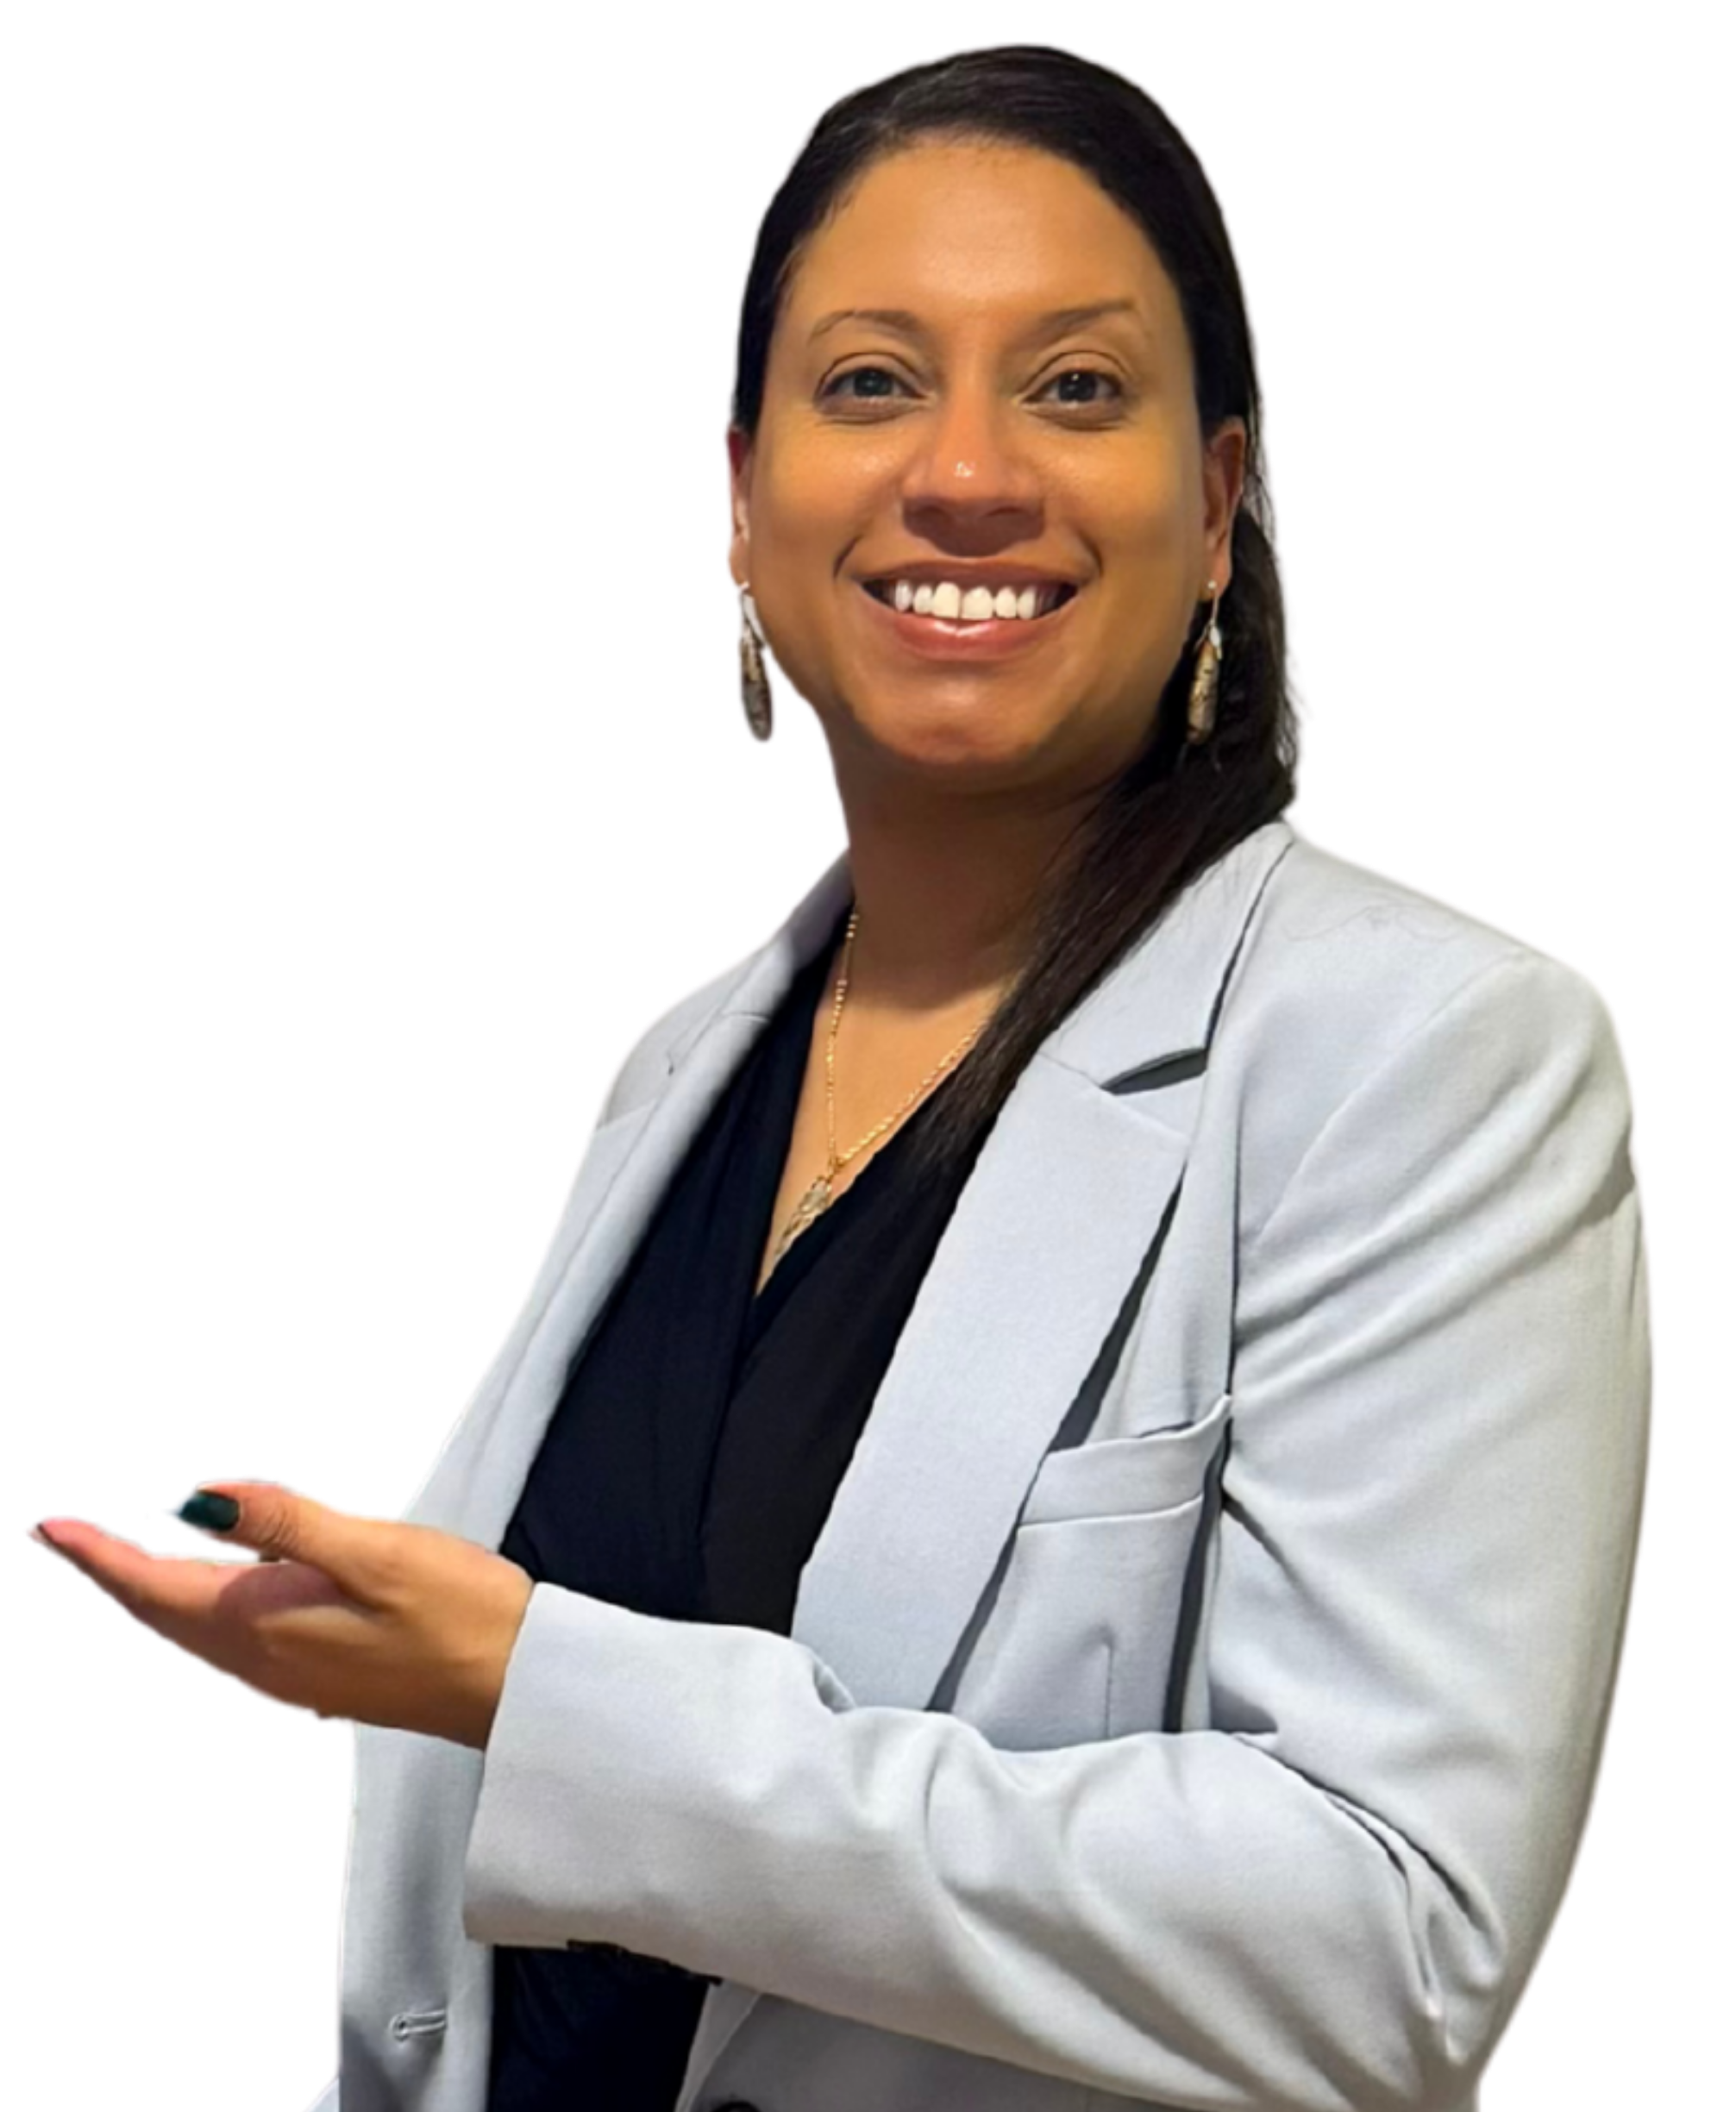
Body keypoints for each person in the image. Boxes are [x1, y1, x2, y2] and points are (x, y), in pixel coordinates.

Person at [319, 45, 1655, 2112]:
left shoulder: (1433, 1053)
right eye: (870, 383)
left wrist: (535, 1693)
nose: (965, 474)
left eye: (1076, 387)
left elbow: (1391, 1951)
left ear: (1218, 506)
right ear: (746, 508)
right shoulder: (682, 1063)